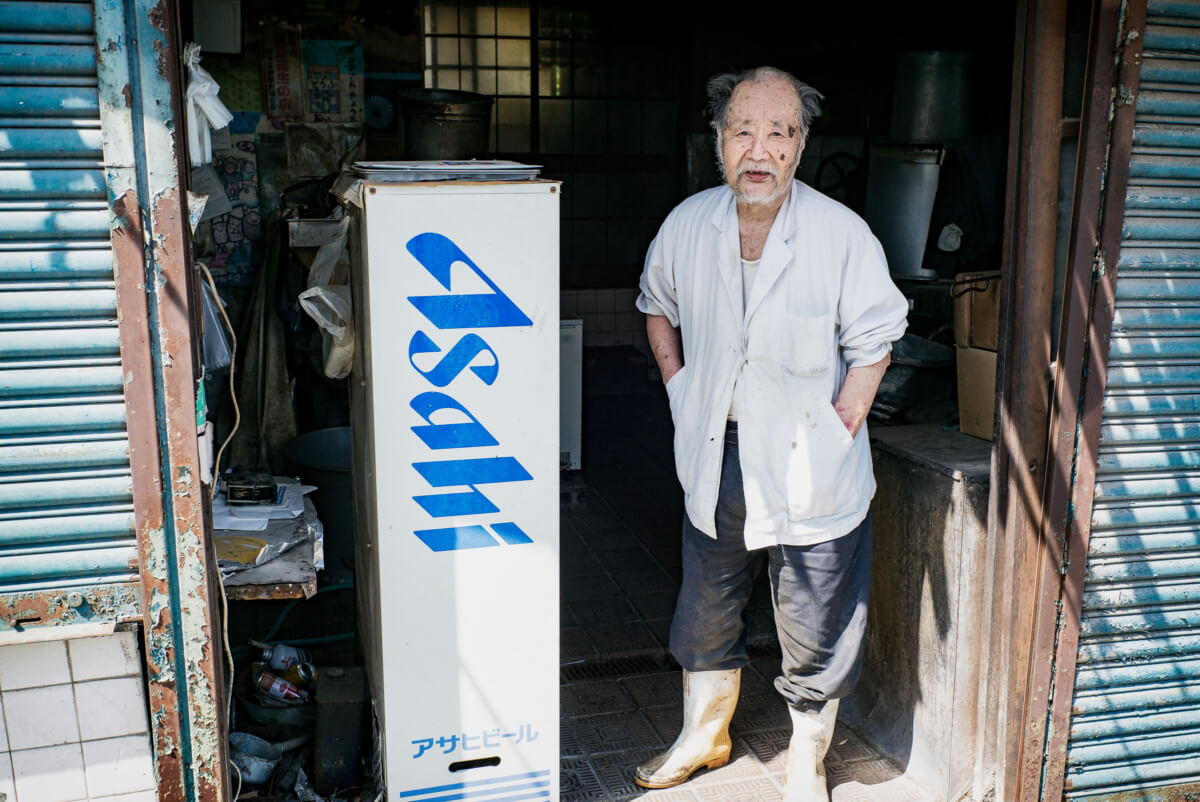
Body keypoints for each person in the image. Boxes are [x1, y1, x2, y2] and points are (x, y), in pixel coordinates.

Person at [633, 66, 908, 801]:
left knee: (815, 614)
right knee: (707, 601)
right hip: (717, 451)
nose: (760, 149)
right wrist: (680, 386)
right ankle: (704, 735)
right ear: (718, 141)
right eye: (742, 131)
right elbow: (655, 304)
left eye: (778, 133)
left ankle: (806, 760)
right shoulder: (689, 223)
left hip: (809, 463)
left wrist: (838, 426)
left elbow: (877, 339)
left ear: (801, 145)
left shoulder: (841, 234)